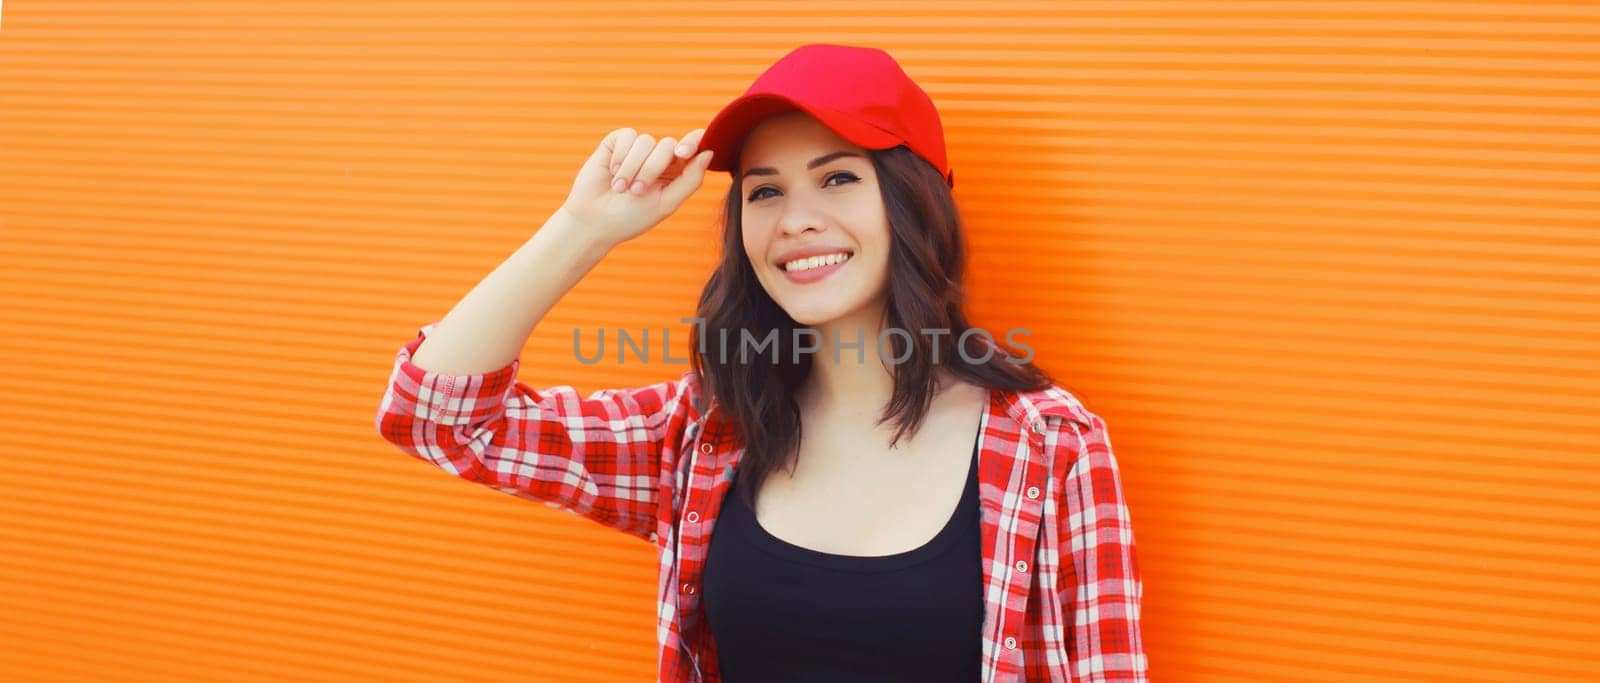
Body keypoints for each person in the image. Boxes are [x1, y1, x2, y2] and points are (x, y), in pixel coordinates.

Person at [376, 43, 1146, 683]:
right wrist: (585, 226)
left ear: (916, 202)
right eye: (763, 191)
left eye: (839, 177)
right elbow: (437, 417)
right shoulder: (705, 432)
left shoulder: (1052, 448)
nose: (797, 220)